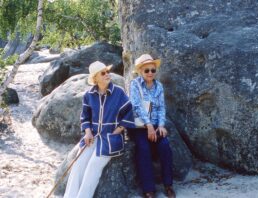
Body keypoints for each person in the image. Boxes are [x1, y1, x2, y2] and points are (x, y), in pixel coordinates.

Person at [64, 61, 135, 198]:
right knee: (78, 164)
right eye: (103, 73)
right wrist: (88, 132)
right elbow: (85, 116)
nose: (107, 74)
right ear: (95, 78)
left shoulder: (118, 92)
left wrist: (117, 131)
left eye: (107, 71)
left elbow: (129, 112)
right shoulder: (89, 95)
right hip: (93, 137)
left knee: (93, 167)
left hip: (110, 139)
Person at [129, 54, 176, 198]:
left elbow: (162, 107)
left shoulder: (159, 86)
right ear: (140, 71)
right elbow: (136, 106)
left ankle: (168, 185)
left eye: (153, 70)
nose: (150, 73)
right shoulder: (135, 85)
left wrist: (161, 125)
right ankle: (148, 189)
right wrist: (148, 125)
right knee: (143, 149)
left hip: (156, 124)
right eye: (146, 70)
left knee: (165, 146)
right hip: (140, 126)